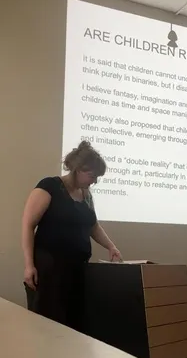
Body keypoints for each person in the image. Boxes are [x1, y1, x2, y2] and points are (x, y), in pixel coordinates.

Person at [22, 141, 122, 328]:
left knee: (74, 324)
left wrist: (111, 246)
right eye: (92, 176)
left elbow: (93, 225)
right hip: (50, 269)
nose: (94, 181)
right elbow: (28, 225)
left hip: (77, 270)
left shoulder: (86, 195)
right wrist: (29, 266)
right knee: (47, 324)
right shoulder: (49, 186)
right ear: (78, 169)